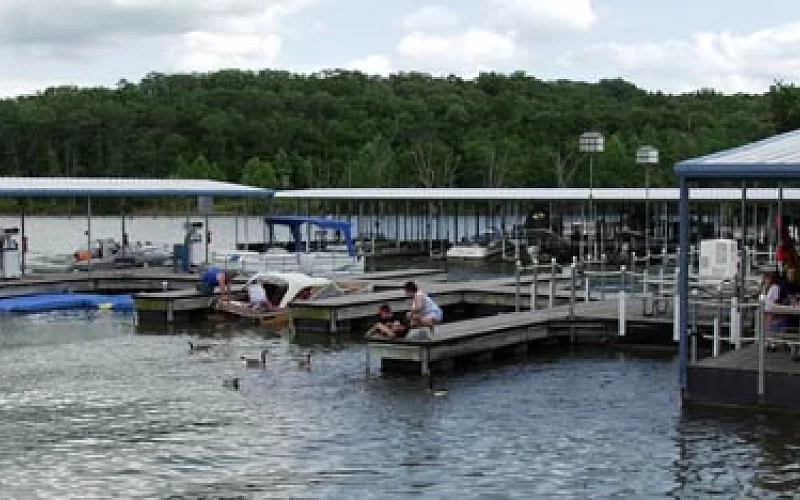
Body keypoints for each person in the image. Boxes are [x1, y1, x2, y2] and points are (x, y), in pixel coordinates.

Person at [763, 271, 789, 336]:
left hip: (771, 313)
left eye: (766, 279)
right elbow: (763, 299)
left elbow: (776, 300)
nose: (765, 281)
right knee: (766, 329)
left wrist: (774, 314)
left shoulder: (775, 287)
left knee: (769, 329)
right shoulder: (768, 288)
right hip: (766, 312)